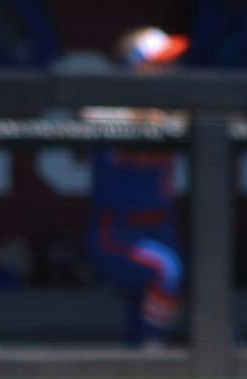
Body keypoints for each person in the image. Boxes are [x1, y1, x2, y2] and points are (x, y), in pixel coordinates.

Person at [85, 27, 188, 348]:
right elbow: (90, 115)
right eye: (160, 63)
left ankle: (142, 361)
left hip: (161, 229)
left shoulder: (180, 106)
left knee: (151, 298)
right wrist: (146, 118)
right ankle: (151, 349)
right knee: (167, 272)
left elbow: (232, 116)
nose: (170, 71)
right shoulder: (109, 107)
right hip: (117, 232)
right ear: (136, 66)